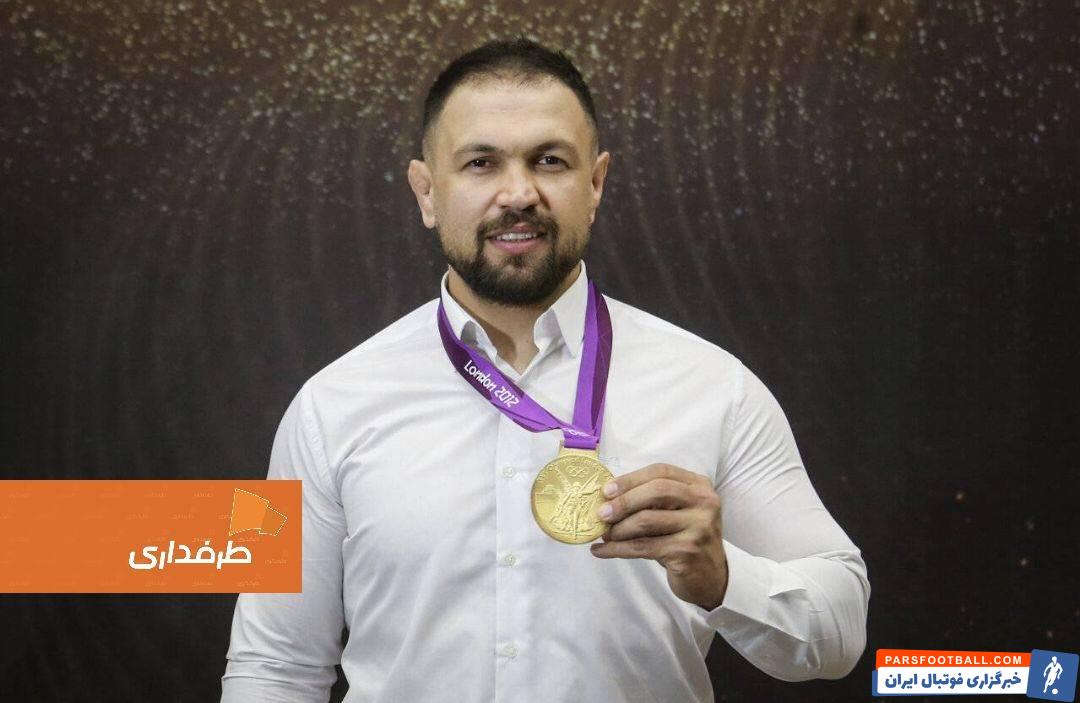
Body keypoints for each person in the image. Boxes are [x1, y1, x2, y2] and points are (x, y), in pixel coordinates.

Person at [221, 37, 869, 702]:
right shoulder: (329, 407)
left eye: (549, 161)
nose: (518, 193)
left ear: (596, 184)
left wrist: (724, 578)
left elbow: (842, 627)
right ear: (427, 191)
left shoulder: (714, 388)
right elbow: (273, 665)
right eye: (480, 163)